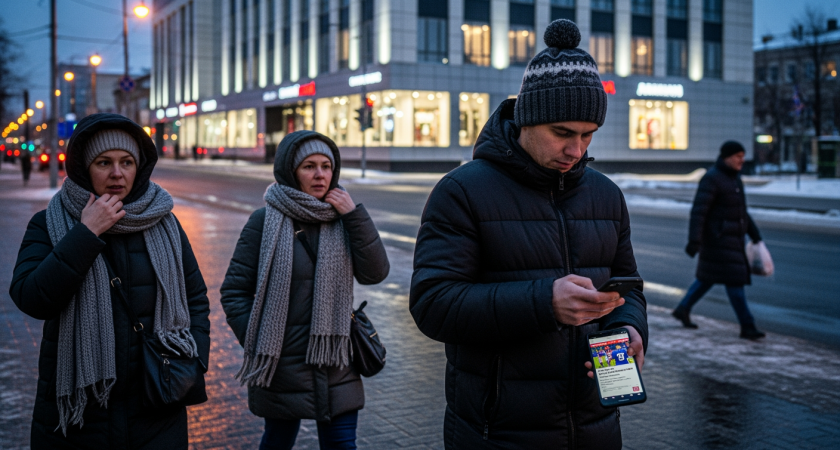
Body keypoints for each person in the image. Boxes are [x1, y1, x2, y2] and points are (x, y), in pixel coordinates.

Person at [409, 19, 648, 449]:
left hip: (595, 427)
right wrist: (543, 302)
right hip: (498, 432)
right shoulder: (462, 191)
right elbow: (433, 304)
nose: (576, 150)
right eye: (563, 134)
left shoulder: (607, 196)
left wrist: (630, 327)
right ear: (527, 118)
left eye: (588, 135)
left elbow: (627, 287)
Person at [9, 113, 211, 449]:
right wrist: (86, 232)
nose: (117, 173)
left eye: (127, 162)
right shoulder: (48, 224)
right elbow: (32, 297)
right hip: (79, 417)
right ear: (84, 168)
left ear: (139, 167)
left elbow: (196, 300)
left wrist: (193, 358)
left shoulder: (165, 224)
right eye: (104, 162)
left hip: (157, 409)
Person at [220, 130, 390, 450]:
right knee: (277, 443)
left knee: (342, 446)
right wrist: (260, 340)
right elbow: (234, 291)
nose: (320, 175)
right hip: (281, 368)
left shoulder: (342, 220)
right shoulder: (263, 221)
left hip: (337, 361)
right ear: (291, 171)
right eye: (309, 166)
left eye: (326, 166)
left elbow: (376, 273)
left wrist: (354, 216)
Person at [671, 141, 766, 339]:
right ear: (726, 157)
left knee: (706, 279)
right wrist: (694, 241)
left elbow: (741, 212)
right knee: (734, 283)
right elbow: (699, 212)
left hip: (732, 241)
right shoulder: (712, 179)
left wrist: (754, 234)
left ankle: (683, 308)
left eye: (743, 156)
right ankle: (747, 325)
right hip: (718, 242)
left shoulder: (733, 179)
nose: (742, 160)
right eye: (738, 156)